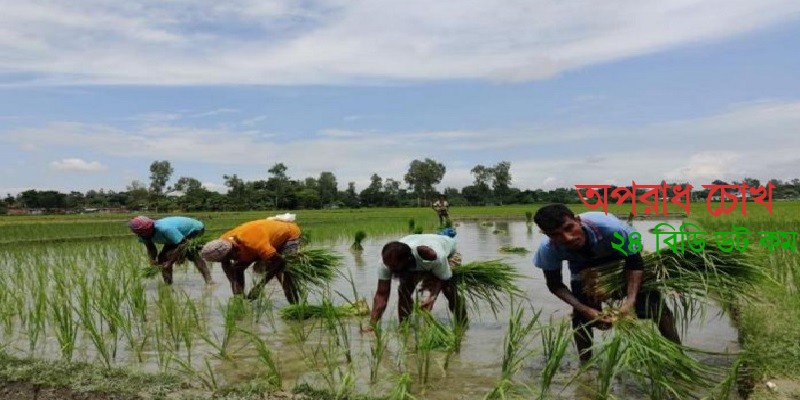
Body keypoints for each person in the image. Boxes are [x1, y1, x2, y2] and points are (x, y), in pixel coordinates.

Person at [532, 204, 680, 364]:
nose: (568, 238)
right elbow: (554, 284)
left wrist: (630, 301)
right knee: (582, 318)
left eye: (569, 228)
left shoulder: (613, 230)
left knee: (655, 305)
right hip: (582, 265)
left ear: (578, 221)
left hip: (618, 254)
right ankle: (585, 366)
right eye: (556, 235)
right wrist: (585, 309)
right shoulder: (547, 249)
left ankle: (678, 356)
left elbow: (635, 262)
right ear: (547, 235)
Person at [363, 233, 467, 332]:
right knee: (404, 291)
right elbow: (381, 295)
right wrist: (372, 325)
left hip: (447, 253)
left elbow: (444, 277)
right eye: (390, 268)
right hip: (414, 254)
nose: (392, 271)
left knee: (449, 290)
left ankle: (463, 324)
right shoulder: (386, 263)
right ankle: (404, 328)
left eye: (395, 268)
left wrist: (433, 296)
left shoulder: (432, 256)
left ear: (407, 260)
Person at [200, 218, 301, 303]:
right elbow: (231, 270)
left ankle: (295, 305)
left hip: (288, 235)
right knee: (237, 269)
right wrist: (238, 296)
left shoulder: (254, 244)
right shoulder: (222, 243)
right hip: (259, 238)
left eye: (229, 258)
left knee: (284, 273)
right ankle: (241, 303)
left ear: (233, 251)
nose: (228, 261)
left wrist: (259, 287)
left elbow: (280, 262)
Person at [128, 215, 213, 285]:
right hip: (174, 237)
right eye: (140, 233)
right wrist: (152, 260)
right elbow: (151, 248)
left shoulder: (165, 229)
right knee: (162, 259)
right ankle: (168, 285)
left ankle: (209, 280)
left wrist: (170, 261)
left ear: (150, 226)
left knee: (191, 253)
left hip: (194, 229)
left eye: (147, 230)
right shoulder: (142, 235)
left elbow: (183, 244)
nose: (142, 234)